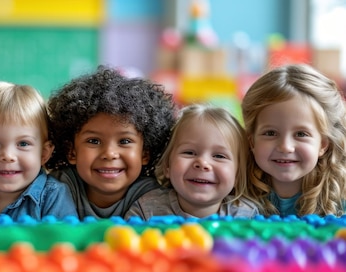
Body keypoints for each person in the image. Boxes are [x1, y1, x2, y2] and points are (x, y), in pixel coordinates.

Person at [45, 66, 176, 219]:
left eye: (125, 141)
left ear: (145, 152)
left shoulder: (155, 198)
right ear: (71, 151)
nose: (109, 154)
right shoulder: (55, 189)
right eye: (94, 141)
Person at [0, 81, 77, 220]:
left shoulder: (54, 196)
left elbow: (62, 241)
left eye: (23, 143)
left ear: (44, 153)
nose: (8, 156)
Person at [242, 63, 346, 217]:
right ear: (252, 142)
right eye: (270, 133)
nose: (285, 147)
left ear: (323, 144)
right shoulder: (236, 193)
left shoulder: (339, 198)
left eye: (301, 134)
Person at [125, 104, 259, 219]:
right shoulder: (146, 210)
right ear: (167, 166)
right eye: (189, 153)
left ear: (237, 175)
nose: (202, 163)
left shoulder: (247, 216)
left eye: (219, 156)